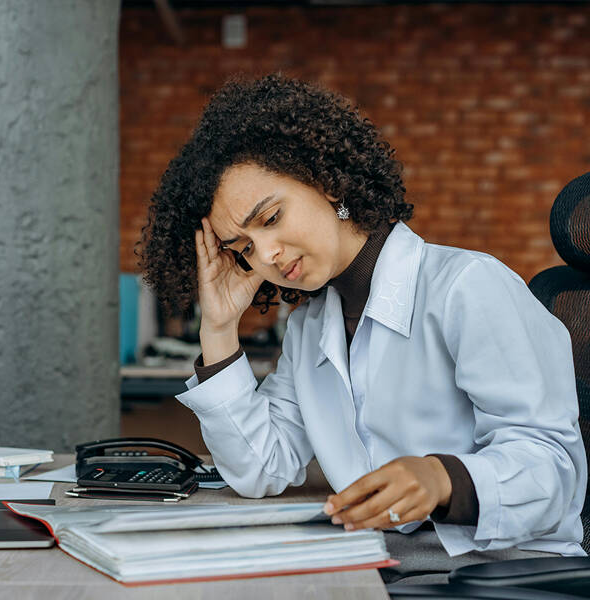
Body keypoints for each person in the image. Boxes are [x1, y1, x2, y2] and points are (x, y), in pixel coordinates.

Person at [138, 74, 586, 583]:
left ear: (326, 180)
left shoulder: (466, 286)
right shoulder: (310, 326)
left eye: (271, 218)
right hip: (382, 571)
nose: (265, 255)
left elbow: (555, 469)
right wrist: (218, 329)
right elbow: (262, 470)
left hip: (506, 575)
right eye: (242, 248)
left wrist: (443, 478)